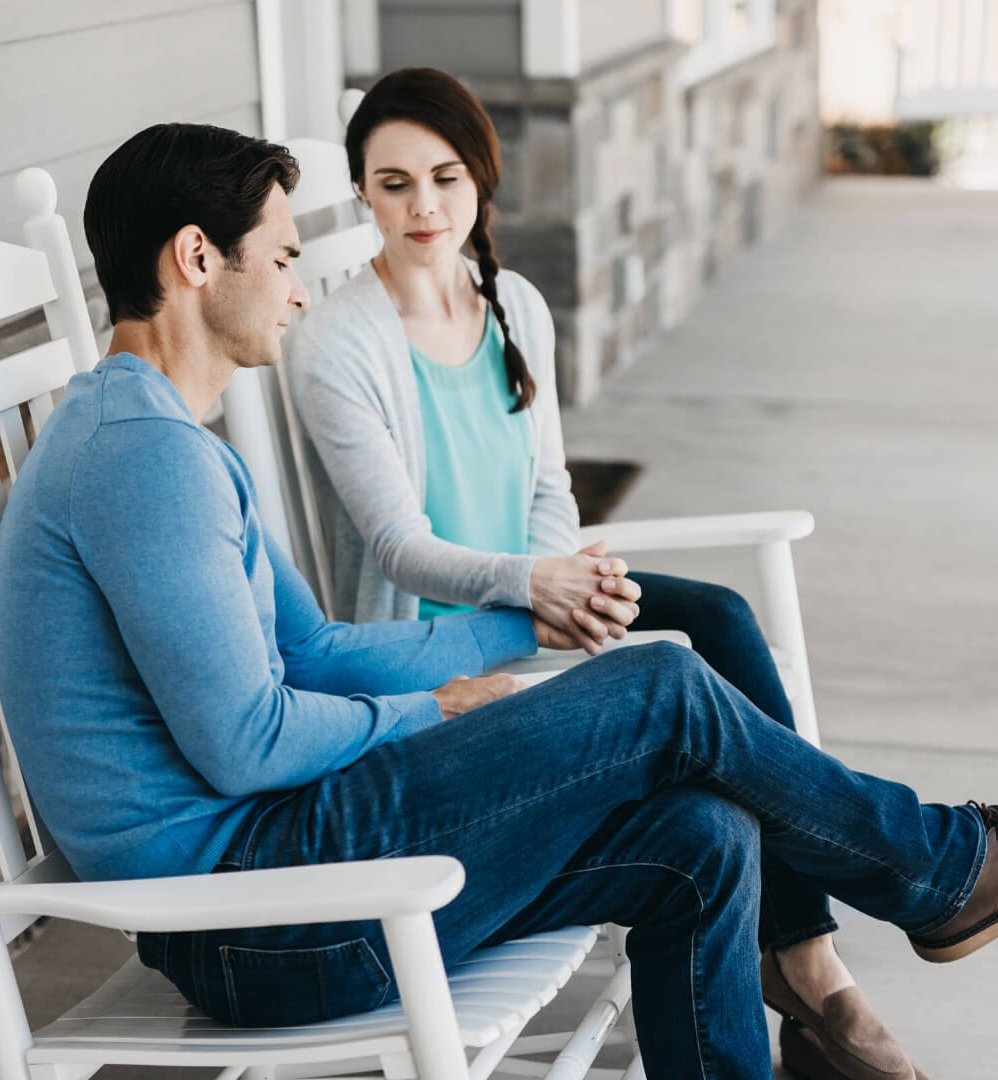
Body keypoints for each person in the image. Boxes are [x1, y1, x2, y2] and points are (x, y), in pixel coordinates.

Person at [0, 121, 998, 1080]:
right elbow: (247, 744)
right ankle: (935, 869)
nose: (295, 292)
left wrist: (526, 619)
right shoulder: (142, 459)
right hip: (258, 916)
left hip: (286, 869)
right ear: (198, 259)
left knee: (703, 839)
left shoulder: (163, 440)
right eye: (284, 259)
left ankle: (929, 880)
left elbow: (320, 651)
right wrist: (432, 711)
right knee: (665, 687)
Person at [285, 67, 923, 1080]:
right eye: (393, 183)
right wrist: (537, 590)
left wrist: (566, 579)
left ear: (481, 180)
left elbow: (548, 494)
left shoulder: (514, 308)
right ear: (363, 191)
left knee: (715, 613)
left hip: (533, 600)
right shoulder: (335, 342)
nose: (423, 207)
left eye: (445, 178)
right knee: (691, 690)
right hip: (440, 639)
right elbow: (402, 547)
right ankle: (857, 934)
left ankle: (807, 954)